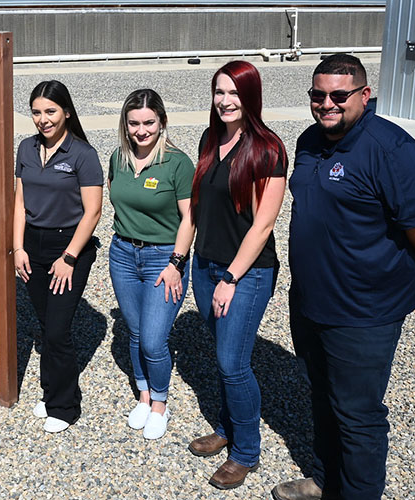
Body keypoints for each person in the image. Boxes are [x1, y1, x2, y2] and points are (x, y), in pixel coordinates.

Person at [272, 54, 415, 500]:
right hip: (312, 301)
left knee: (357, 415)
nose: (326, 104)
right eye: (318, 95)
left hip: (364, 312)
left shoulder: (393, 150)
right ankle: (327, 479)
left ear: (364, 96)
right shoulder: (311, 140)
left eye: (338, 95)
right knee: (322, 399)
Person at [185, 60, 288, 490]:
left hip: (245, 274)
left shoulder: (268, 149)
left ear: (250, 97)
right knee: (224, 356)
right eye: (219, 92)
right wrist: (180, 260)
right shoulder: (211, 140)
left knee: (232, 364)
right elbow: (196, 205)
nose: (225, 101)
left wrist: (230, 277)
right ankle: (228, 427)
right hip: (205, 265)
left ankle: (245, 451)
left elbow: (263, 225)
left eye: (234, 93)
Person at [13, 81, 103, 434]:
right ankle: (51, 392)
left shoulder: (83, 154)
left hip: (69, 248)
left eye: (50, 111)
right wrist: (18, 247)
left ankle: (65, 406)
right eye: (36, 112)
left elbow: (93, 212)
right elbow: (19, 203)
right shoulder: (26, 148)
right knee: (45, 324)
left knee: (57, 330)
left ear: (66, 112)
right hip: (31, 247)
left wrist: (68, 257)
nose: (43, 119)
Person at [107, 89, 195, 440]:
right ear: (125, 125)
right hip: (123, 254)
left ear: (162, 122)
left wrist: (176, 262)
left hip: (164, 258)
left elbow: (190, 217)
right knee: (136, 331)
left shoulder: (178, 163)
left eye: (149, 122)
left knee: (155, 340)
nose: (141, 130)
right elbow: (117, 199)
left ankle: (160, 402)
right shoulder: (118, 157)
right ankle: (143, 394)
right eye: (134, 123)